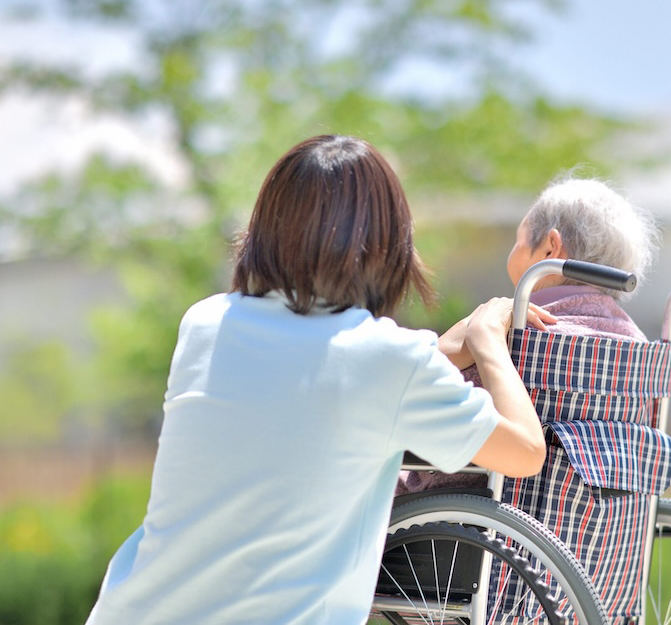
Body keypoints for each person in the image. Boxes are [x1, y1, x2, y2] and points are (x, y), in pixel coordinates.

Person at [84, 135, 550, 625]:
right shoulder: (390, 361)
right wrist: (486, 339)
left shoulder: (205, 323)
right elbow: (525, 452)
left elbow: (313, 379)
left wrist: (436, 353)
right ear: (385, 245)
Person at [397, 173, 659, 494]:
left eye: (517, 240)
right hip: (589, 520)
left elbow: (408, 394)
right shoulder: (639, 348)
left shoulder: (514, 333)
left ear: (550, 247)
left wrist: (474, 331)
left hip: (456, 514)